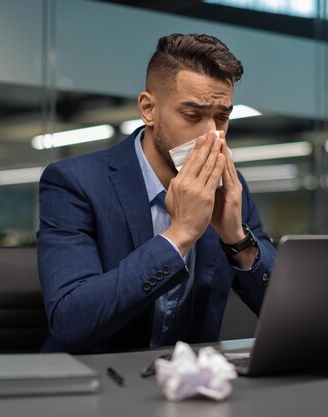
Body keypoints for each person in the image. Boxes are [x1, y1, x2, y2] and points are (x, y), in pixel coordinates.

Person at [37, 33, 276, 354]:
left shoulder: (231, 188)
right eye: (193, 115)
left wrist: (237, 239)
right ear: (148, 109)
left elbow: (284, 312)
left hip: (188, 387)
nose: (211, 134)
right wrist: (179, 235)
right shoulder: (74, 183)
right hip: (92, 385)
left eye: (222, 117)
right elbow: (71, 322)